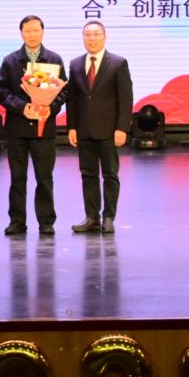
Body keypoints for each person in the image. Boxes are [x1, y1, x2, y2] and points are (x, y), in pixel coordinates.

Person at [0, 14, 65, 237]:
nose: (32, 34)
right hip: (17, 128)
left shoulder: (54, 59)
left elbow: (64, 91)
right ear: (21, 33)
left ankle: (46, 221)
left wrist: (50, 107)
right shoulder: (10, 61)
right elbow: (1, 90)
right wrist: (23, 107)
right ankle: (17, 221)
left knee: (44, 178)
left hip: (44, 128)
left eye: (36, 30)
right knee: (17, 178)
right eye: (28, 31)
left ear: (43, 32)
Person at [64, 20, 133, 233]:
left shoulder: (118, 63)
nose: (92, 38)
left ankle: (109, 217)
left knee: (110, 174)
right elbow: (72, 99)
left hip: (109, 130)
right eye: (88, 35)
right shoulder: (75, 64)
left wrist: (122, 128)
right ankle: (92, 217)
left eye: (96, 34)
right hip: (84, 129)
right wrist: (71, 127)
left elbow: (125, 98)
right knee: (88, 174)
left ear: (105, 37)